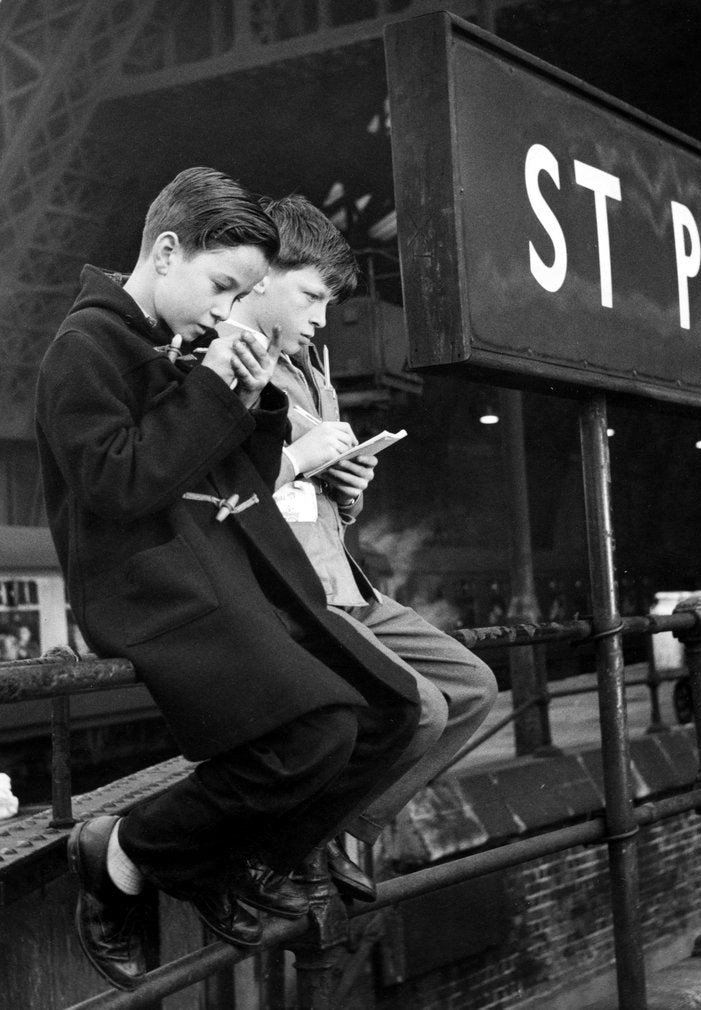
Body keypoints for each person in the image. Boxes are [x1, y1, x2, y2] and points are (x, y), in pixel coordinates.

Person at [34, 167, 421, 991]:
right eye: (221, 287)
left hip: (215, 569)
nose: (224, 309)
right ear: (166, 251)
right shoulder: (86, 346)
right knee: (317, 733)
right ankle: (127, 858)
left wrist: (255, 398)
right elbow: (122, 485)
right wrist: (215, 387)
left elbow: (236, 475)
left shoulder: (172, 340)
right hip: (150, 590)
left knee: (390, 711)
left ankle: (230, 861)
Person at [216, 193, 497, 900]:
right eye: (311, 295)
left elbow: (324, 506)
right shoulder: (224, 362)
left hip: (344, 581)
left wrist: (351, 481)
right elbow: (216, 491)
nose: (320, 315)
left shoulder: (314, 371)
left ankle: (343, 826)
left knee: (472, 688)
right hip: (289, 593)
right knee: (419, 709)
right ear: (260, 277)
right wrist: (305, 454)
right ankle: (294, 845)